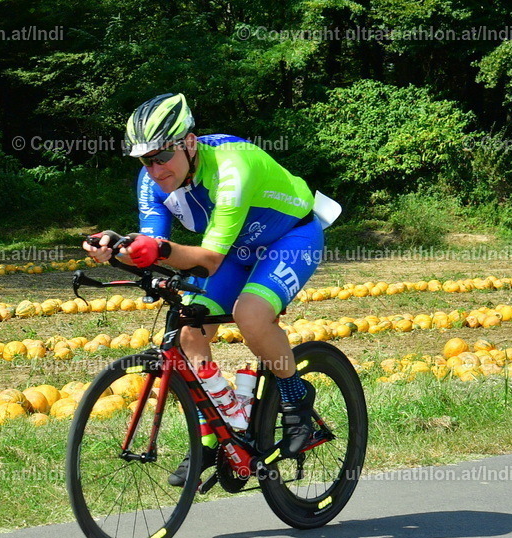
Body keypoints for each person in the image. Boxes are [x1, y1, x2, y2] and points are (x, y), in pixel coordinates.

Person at [83, 92, 339, 486]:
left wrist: (158, 250)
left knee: (250, 315)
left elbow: (208, 259)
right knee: (190, 334)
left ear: (189, 142)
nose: (155, 169)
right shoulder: (152, 181)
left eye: (161, 155)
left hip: (289, 238)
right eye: (145, 160)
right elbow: (152, 246)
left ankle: (295, 397)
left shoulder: (233, 167)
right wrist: (117, 248)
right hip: (235, 249)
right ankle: (212, 437)